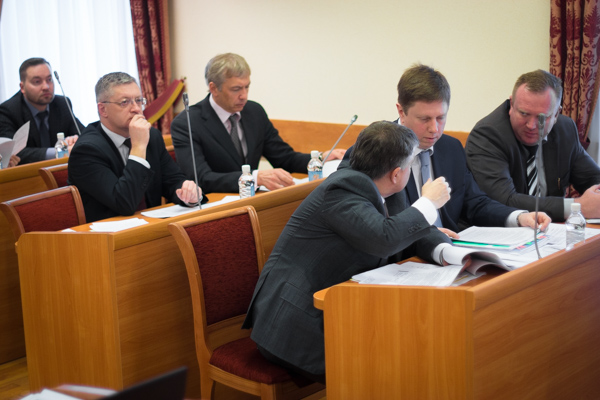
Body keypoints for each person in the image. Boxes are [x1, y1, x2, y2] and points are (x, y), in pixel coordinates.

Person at [243, 121, 453, 383]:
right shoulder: (343, 190)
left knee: (411, 345)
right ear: (396, 174)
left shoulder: (380, 183)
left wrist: (447, 252)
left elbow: (405, 227)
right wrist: (429, 202)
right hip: (295, 325)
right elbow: (385, 238)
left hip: (337, 308)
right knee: (396, 362)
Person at [341, 65, 551, 236]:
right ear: (401, 111)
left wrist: (519, 217)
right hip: (403, 259)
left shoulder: (451, 148)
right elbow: (369, 226)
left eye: (441, 117)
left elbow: (475, 203)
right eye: (424, 119)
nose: (435, 129)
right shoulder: (374, 149)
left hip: (452, 251)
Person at [170, 53, 345, 193]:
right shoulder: (187, 122)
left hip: (254, 200)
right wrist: (253, 178)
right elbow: (200, 178)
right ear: (214, 88)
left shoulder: (254, 112)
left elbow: (285, 158)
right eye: (236, 89)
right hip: (215, 205)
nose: (244, 95)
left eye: (247, 87)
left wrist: (320, 158)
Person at [466, 69, 600, 221]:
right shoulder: (488, 135)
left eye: (542, 117)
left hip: (551, 229)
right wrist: (577, 207)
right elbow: (504, 201)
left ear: (556, 114)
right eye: (524, 113)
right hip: (500, 229)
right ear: (511, 105)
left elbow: (593, 178)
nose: (531, 125)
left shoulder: (565, 130)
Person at [68, 72, 202, 223]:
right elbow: (124, 203)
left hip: (152, 226)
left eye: (138, 100)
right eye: (124, 102)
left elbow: (173, 181)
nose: (136, 109)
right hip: (110, 232)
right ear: (103, 109)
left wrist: (189, 192)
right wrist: (138, 147)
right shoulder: (87, 150)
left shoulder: (151, 136)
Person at [0, 57, 84, 165]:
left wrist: (75, 140)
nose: (46, 86)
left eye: (49, 79)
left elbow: (84, 133)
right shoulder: (8, 111)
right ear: (22, 87)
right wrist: (59, 152)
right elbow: (11, 153)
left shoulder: (62, 103)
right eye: (37, 82)